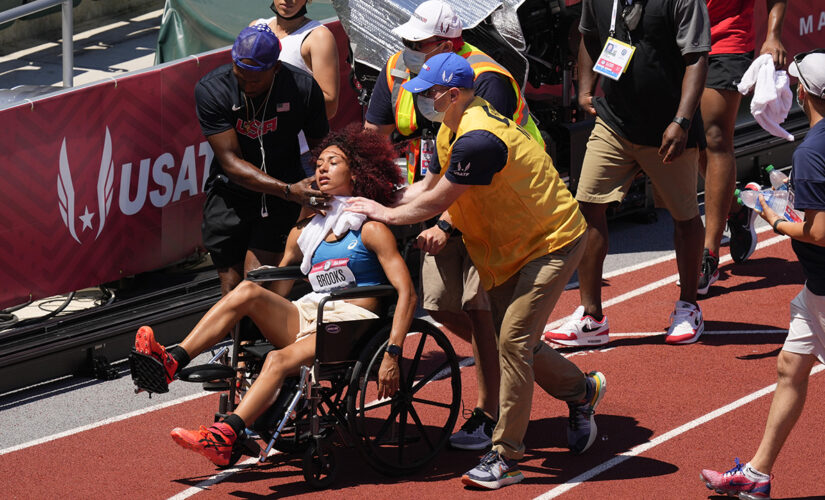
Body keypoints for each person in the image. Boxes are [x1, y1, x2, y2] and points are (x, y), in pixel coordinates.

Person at [347, 52, 607, 490]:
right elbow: (425, 186)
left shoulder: (479, 138)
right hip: (507, 248)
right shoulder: (453, 126)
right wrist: (380, 198)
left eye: (429, 93)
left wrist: (384, 214)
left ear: (452, 94)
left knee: (513, 342)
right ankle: (582, 391)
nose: (422, 100)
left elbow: (435, 202)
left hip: (553, 242)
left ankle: (505, 455)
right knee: (516, 343)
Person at [131, 126, 416, 466]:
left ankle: (225, 433)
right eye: (319, 163)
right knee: (249, 290)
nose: (321, 168)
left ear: (356, 173)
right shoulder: (306, 232)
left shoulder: (370, 229)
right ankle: (171, 361)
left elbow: (407, 294)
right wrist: (253, 309)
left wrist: (393, 353)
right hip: (311, 312)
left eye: (333, 162)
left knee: (277, 361)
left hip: (352, 324)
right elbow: (279, 288)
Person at [365, 0, 545, 450]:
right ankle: (562, 379)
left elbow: (474, 168)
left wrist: (442, 222)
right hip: (435, 195)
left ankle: (489, 414)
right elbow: (373, 142)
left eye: (417, 43)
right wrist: (355, 187)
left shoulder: (487, 79)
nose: (406, 48)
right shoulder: (396, 71)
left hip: (492, 204)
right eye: (405, 40)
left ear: (447, 43)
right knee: (443, 305)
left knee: (480, 309)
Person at [545, 0, 711, 347]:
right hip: (614, 121)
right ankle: (592, 317)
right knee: (588, 206)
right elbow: (589, 37)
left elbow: (696, 58)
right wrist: (586, 88)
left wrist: (681, 121)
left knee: (684, 217)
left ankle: (688, 306)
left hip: (668, 125)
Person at [700, 49, 825, 499]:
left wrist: (773, 215)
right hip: (816, 292)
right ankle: (757, 475)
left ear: (801, 92)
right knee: (791, 366)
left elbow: (820, 232)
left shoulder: (813, 150)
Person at [195, 24, 330, 296]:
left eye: (255, 80)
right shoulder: (211, 90)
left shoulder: (302, 88)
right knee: (231, 287)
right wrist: (290, 191)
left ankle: (267, 336)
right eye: (240, 76)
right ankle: (236, 340)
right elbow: (231, 162)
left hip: (282, 195)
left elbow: (323, 150)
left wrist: (322, 188)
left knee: (258, 282)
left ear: (276, 68)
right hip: (231, 194)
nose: (246, 85)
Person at [697, 0, 787, 295]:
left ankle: (708, 254)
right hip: (675, 42)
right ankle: (736, 208)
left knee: (716, 138)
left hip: (726, 41)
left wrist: (772, 35)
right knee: (693, 142)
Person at [251, 0, 340, 175]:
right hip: (256, 150)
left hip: (300, 155)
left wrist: (280, 103)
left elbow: (329, 106)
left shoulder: (318, 36)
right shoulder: (256, 28)